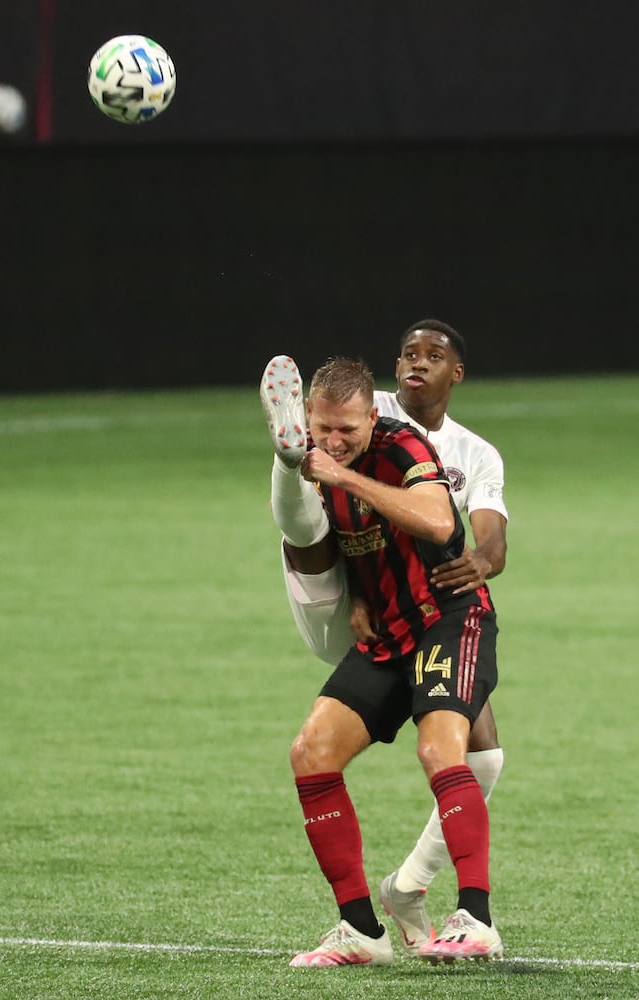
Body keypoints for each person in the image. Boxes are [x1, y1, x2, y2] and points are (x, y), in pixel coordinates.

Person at [260, 321, 508, 958]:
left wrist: (341, 477)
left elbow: (431, 519)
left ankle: (474, 920)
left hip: (450, 618)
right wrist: (363, 596)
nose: (335, 442)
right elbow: (347, 540)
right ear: (307, 421)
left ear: (375, 415)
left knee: (441, 750)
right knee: (310, 750)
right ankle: (362, 930)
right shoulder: (313, 462)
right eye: (322, 430)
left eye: (348, 429)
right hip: (389, 631)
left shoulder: (401, 446)